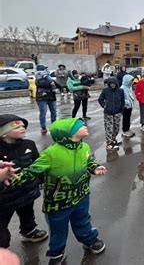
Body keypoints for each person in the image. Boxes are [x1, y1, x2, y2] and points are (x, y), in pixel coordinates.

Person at [2, 118, 108, 264]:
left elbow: (88, 161)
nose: (84, 126)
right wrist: (9, 180)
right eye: (79, 126)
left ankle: (90, 239)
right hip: (58, 202)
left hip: (82, 196)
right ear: (67, 134)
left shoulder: (85, 147)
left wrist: (94, 167)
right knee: (58, 229)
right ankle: (56, 252)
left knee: (83, 221)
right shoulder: (51, 153)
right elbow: (32, 171)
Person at [0, 115, 48, 249]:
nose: (22, 128)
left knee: (27, 212)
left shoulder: (29, 144)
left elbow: (37, 163)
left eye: (23, 126)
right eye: (17, 127)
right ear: (3, 133)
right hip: (4, 197)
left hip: (27, 191)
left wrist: (41, 180)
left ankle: (29, 230)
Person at [98, 77, 125, 151]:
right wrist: (104, 106)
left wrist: (121, 110)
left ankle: (113, 139)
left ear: (116, 84)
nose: (112, 85)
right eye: (111, 84)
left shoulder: (120, 91)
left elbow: (123, 101)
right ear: (109, 84)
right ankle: (109, 143)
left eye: (114, 84)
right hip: (108, 113)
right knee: (109, 128)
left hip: (117, 112)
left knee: (116, 128)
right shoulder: (105, 91)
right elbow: (100, 99)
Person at [35, 65, 57, 135]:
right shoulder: (38, 77)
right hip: (42, 97)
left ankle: (53, 125)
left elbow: (55, 84)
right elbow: (40, 83)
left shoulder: (49, 77)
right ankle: (43, 127)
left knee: (53, 111)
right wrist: (50, 83)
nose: (46, 70)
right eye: (44, 69)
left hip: (51, 96)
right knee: (43, 112)